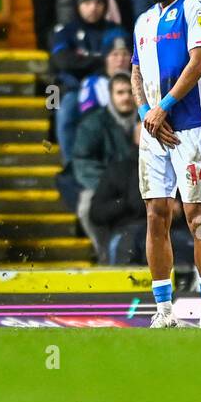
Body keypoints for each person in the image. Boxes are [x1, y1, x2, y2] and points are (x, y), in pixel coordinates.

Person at [131, 0, 201, 328]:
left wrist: (162, 107)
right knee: (155, 216)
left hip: (191, 129)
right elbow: (135, 73)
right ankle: (164, 308)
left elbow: (198, 63)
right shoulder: (143, 22)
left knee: (197, 217)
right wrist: (145, 115)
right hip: (154, 131)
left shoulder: (196, 10)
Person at [50, 0, 129, 161]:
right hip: (73, 89)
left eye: (98, 2)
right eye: (87, 2)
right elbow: (62, 61)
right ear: (78, 5)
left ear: (105, 5)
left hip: (111, 86)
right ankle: (70, 164)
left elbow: (120, 61)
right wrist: (100, 59)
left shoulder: (115, 31)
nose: (93, 7)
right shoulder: (65, 31)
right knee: (63, 112)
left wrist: (83, 61)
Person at [70, 70, 138, 263]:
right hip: (105, 185)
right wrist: (109, 184)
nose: (126, 97)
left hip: (141, 183)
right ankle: (104, 253)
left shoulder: (146, 118)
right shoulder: (93, 123)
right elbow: (82, 161)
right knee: (86, 207)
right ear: (110, 95)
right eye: (120, 92)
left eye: (130, 92)